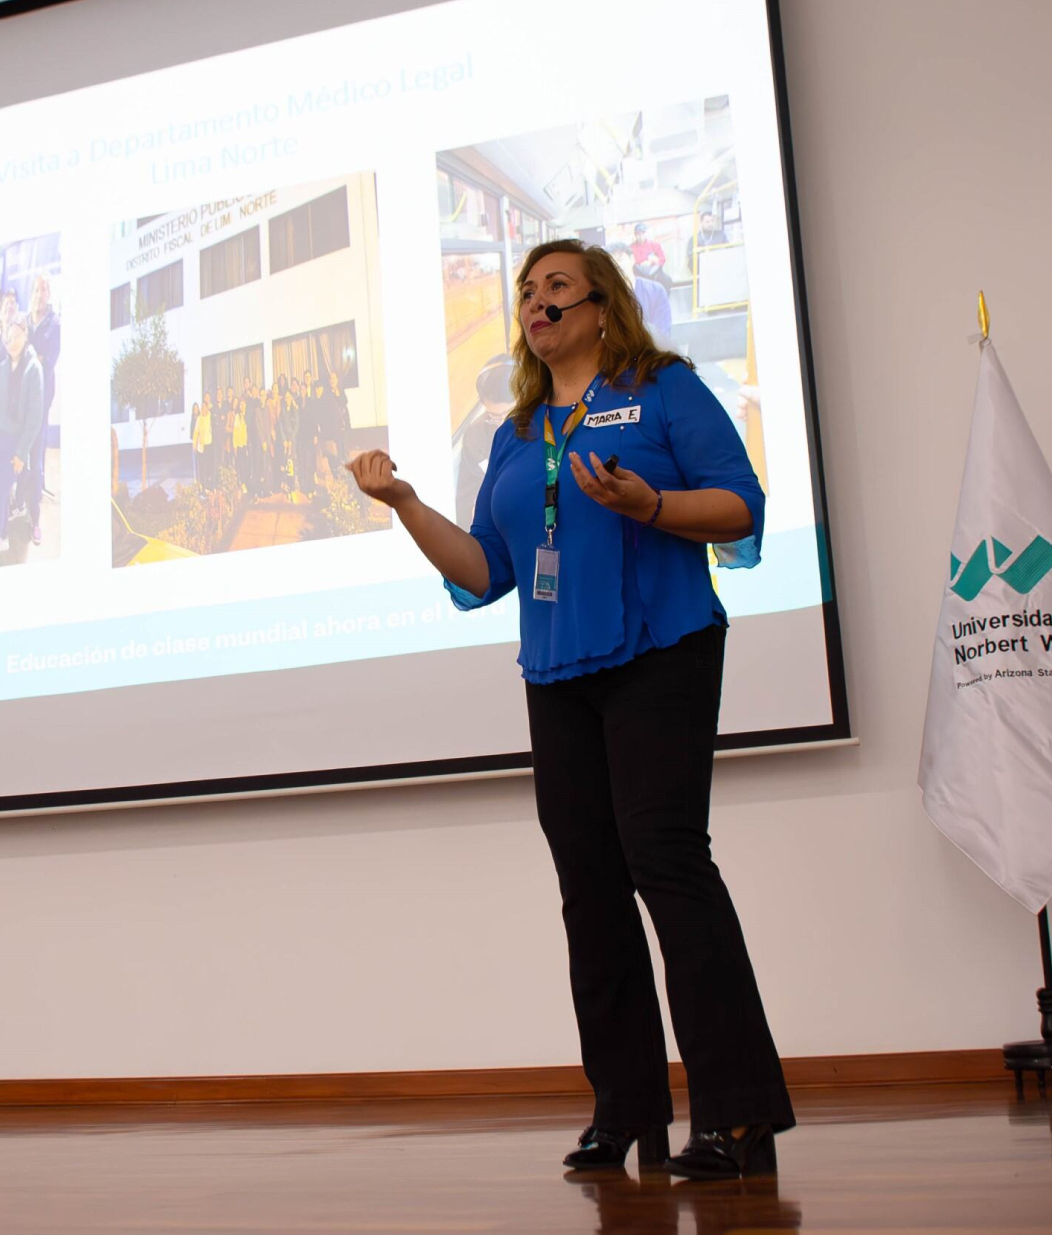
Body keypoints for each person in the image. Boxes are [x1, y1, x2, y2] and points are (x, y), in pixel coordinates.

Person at [345, 238, 790, 1181]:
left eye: (556, 288)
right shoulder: (514, 433)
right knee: (589, 889)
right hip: (556, 672)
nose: (536, 303)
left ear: (598, 308)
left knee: (665, 859)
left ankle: (738, 1113)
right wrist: (406, 504)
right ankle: (623, 1111)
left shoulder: (662, 389)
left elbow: (741, 506)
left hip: (661, 648)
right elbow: (486, 569)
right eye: (526, 292)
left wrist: (650, 503)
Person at [0, 318, 44, 568]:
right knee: (1, 490)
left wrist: (21, 453)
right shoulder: (2, 366)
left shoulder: (34, 369)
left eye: (17, 335)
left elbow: (35, 418)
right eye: (8, 336)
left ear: (26, 336)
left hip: (17, 445)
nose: (11, 340)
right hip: (0, 441)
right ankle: (3, 536)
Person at [27, 275, 61, 543]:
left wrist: (33, 357)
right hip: (21, 402)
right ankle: (20, 504)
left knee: (36, 463)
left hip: (40, 402)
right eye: (36, 290)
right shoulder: (25, 322)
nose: (39, 294)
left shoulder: (55, 324)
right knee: (20, 457)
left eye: (43, 290)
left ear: (48, 294)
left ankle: (35, 521)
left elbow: (47, 362)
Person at [608, 243, 673, 343]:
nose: (617, 265)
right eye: (612, 262)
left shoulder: (655, 291)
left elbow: (662, 331)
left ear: (632, 259)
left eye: (620, 259)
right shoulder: (606, 299)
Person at [191, 399, 212, 488]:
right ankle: (203, 485)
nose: (203, 409)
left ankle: (209, 484)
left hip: (210, 444)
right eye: (202, 407)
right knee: (202, 467)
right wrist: (194, 445)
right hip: (201, 446)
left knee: (209, 466)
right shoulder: (199, 419)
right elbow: (195, 433)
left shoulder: (210, 416)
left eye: (205, 407)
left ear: (207, 408)